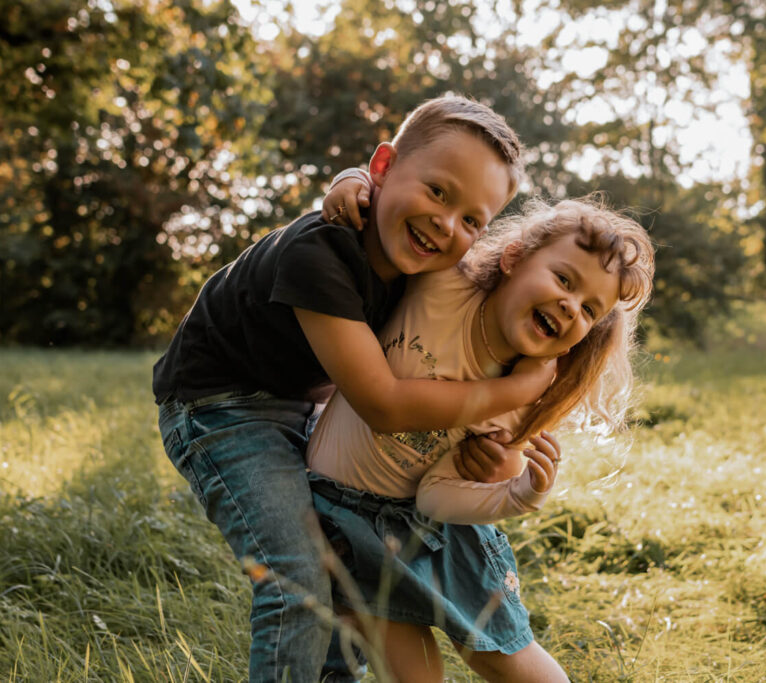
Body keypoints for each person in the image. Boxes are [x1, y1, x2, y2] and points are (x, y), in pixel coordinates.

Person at [152, 95, 558, 683]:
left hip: (303, 406)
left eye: (473, 219)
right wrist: (515, 391)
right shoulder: (320, 251)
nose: (447, 225)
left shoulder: (426, 264)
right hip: (219, 407)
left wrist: (491, 453)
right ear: (386, 168)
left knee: (347, 560)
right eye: (439, 192)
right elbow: (383, 405)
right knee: (298, 579)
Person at [308, 185, 656, 682]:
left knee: (503, 655)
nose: (569, 305)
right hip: (345, 521)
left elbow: (434, 498)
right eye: (563, 278)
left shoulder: (526, 391)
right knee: (413, 671)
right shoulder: (446, 283)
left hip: (429, 528)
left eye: (588, 310)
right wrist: (353, 185)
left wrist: (519, 492)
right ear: (514, 256)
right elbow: (405, 220)